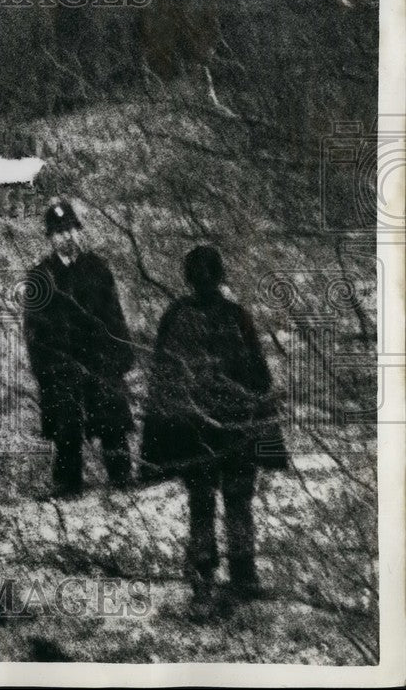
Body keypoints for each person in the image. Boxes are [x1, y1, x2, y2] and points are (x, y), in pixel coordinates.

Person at [140, 245, 288, 620]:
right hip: (218, 430)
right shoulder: (233, 317)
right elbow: (258, 379)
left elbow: (163, 382)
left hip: (202, 431)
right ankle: (235, 573)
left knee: (208, 501)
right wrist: (266, 436)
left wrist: (159, 443)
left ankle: (214, 574)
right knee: (227, 499)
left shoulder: (183, 316)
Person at [23, 198, 135, 497]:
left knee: (112, 421)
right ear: (50, 237)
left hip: (99, 360)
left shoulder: (97, 268)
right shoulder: (40, 276)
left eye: (71, 229)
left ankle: (122, 477)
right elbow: (33, 330)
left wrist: (121, 354)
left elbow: (114, 314)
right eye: (59, 232)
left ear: (79, 232)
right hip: (62, 365)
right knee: (65, 426)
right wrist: (44, 369)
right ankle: (67, 484)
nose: (67, 236)